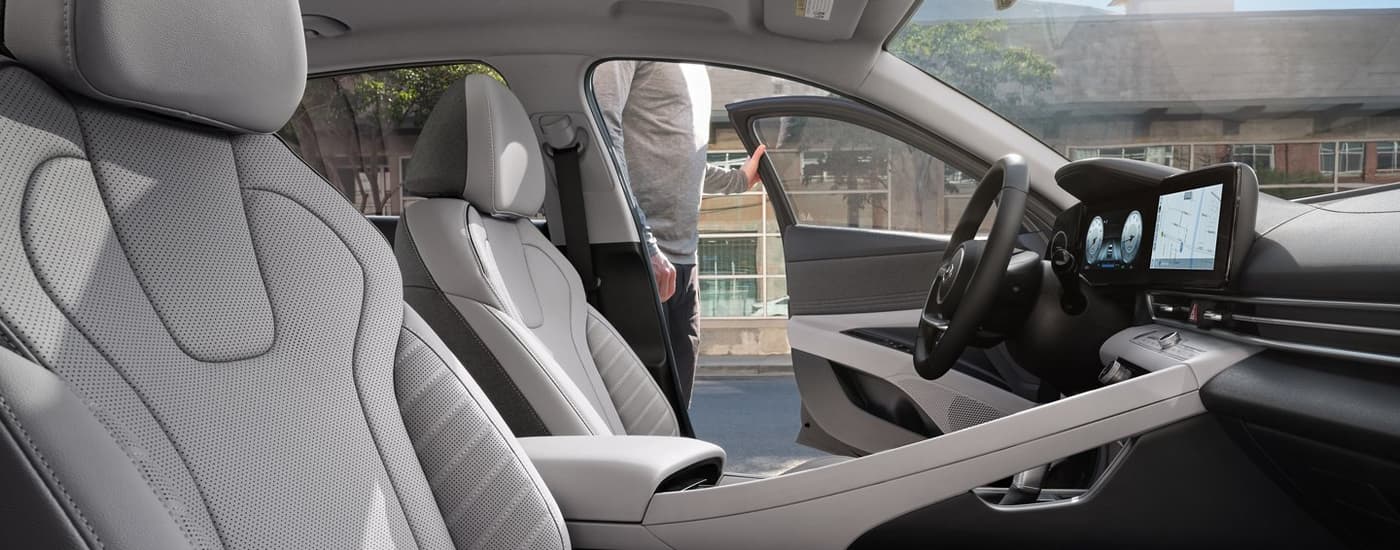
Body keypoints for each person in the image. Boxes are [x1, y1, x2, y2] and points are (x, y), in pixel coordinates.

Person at [594, 61, 767, 406]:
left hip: (682, 258)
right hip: (635, 258)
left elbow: (684, 157)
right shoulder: (626, 40)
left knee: (676, 407)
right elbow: (601, 133)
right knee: (639, 413)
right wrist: (644, 241)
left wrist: (738, 179)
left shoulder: (693, 64)